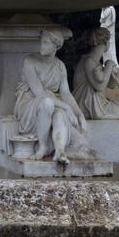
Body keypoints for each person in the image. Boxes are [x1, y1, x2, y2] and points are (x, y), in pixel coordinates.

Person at [14, 28, 86, 164]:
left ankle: (60, 152)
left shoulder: (60, 66)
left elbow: (65, 93)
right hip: (28, 104)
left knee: (59, 115)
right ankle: (42, 147)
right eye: (41, 42)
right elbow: (39, 94)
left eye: (46, 43)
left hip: (51, 103)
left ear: (56, 46)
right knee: (48, 103)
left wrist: (79, 113)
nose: (42, 45)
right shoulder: (29, 61)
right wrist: (67, 108)